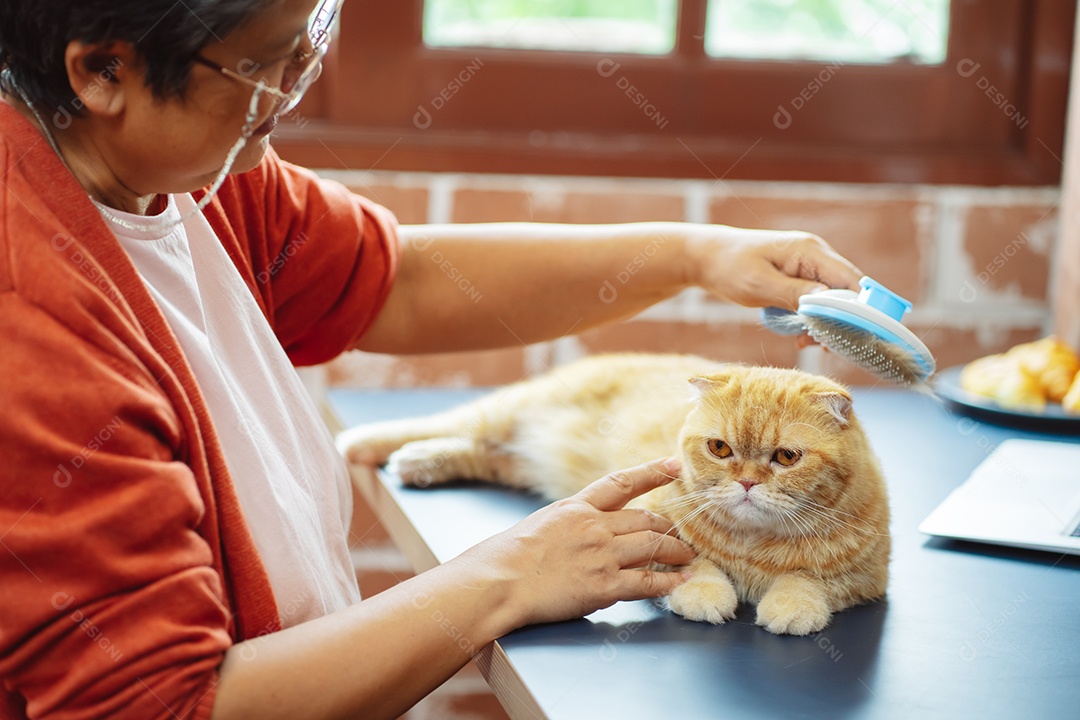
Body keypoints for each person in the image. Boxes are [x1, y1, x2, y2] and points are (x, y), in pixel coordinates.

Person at [0, 0, 864, 718]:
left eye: (316, 34)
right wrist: (508, 577)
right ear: (102, 71)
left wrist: (695, 257)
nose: (299, 82)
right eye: (267, 62)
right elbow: (170, 707)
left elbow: (403, 282)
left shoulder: (177, 170)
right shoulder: (31, 322)